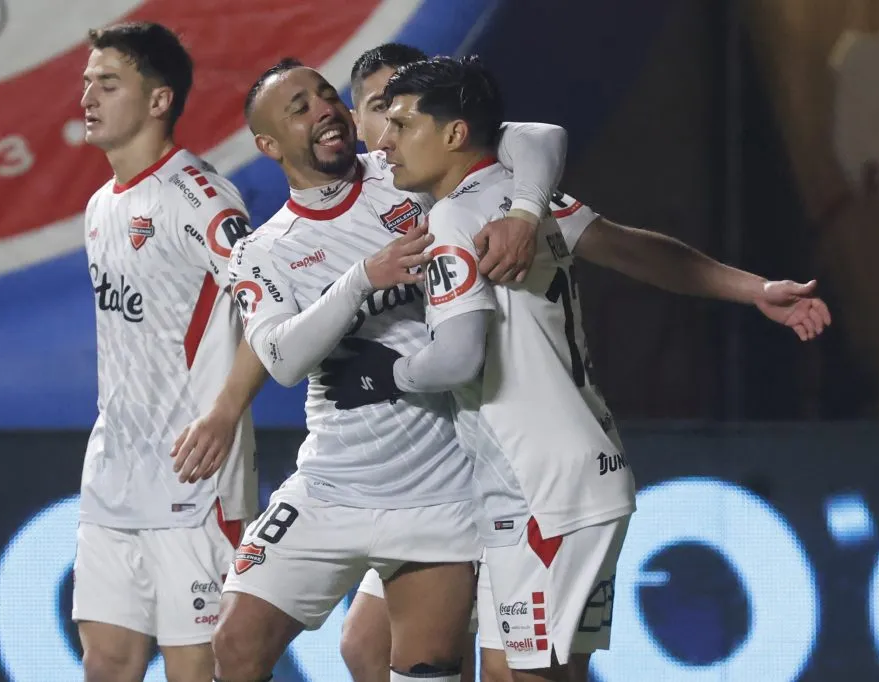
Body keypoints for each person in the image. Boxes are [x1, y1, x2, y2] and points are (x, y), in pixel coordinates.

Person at [321, 55, 832, 682]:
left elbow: (458, 356)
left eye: (400, 121)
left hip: (540, 490)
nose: (386, 139)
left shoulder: (457, 215)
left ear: (454, 132)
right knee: (506, 666)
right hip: (565, 476)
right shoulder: (512, 194)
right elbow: (624, 241)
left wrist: (380, 373)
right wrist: (755, 288)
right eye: (381, 118)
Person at [211, 57, 572, 682]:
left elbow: (538, 137)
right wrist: (359, 282)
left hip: (438, 491)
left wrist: (523, 211)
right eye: (300, 107)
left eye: (326, 95)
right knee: (235, 646)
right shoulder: (263, 250)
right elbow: (282, 357)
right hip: (330, 484)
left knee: (422, 670)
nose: (324, 109)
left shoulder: (407, 171)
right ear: (269, 144)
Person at [74, 22, 268, 682]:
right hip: (113, 476)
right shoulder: (100, 206)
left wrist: (223, 414)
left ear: (159, 101)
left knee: (196, 673)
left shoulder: (201, 200)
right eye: (86, 83)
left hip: (194, 485)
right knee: (107, 665)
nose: (88, 97)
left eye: (108, 83)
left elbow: (272, 310)